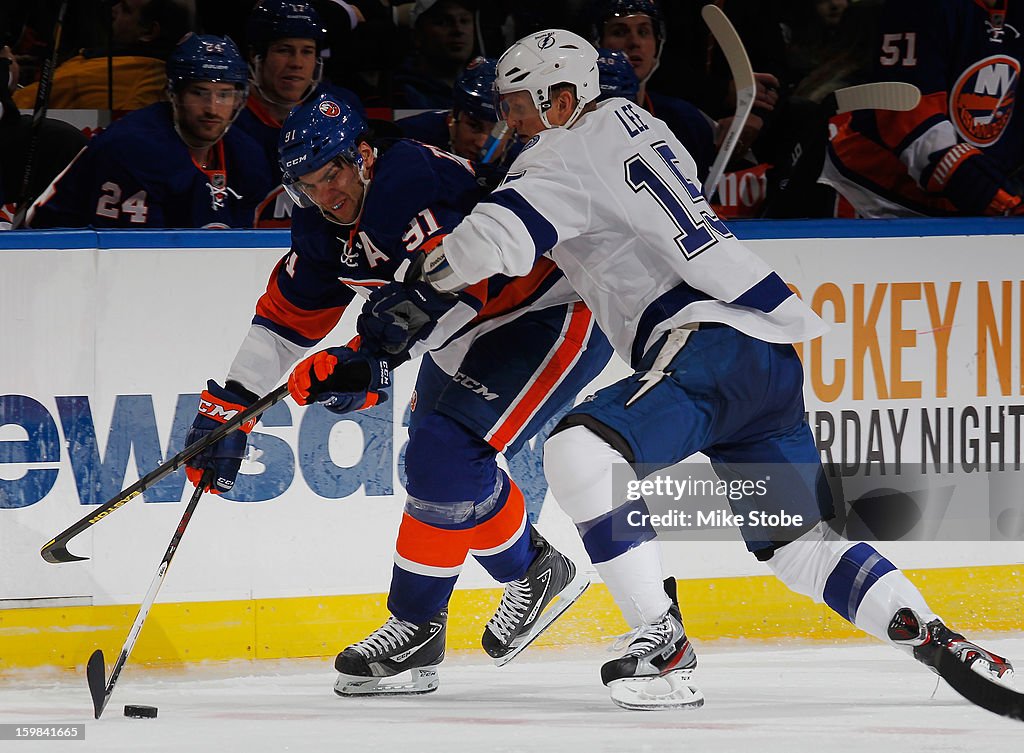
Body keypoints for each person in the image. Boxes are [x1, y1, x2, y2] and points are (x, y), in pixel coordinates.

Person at [367, 28, 1014, 709]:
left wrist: (418, 285)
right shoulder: (640, 124)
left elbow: (491, 242)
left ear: (562, 99)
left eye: (520, 104)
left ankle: (660, 641)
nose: (511, 120)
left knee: (579, 450)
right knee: (801, 548)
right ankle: (934, 633)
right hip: (766, 360)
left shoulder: (556, 158)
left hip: (705, 348)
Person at [182, 91, 613, 695]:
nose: (324, 194)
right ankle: (537, 571)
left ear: (362, 156)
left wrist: (366, 360)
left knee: (445, 453)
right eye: (307, 183)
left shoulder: (412, 181)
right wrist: (232, 404)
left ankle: (416, 626)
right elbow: (286, 320)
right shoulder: (321, 221)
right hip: (466, 324)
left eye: (331, 173)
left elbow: (459, 291)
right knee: (439, 463)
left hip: (547, 309)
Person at [26, 33, 274, 229]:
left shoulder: (247, 155)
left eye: (224, 95)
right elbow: (134, 255)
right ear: (173, 95)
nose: (211, 108)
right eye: (198, 92)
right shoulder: (133, 148)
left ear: (238, 99)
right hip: (59, 263)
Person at [821, 0, 1024, 217]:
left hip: (967, 203)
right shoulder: (919, 7)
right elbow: (912, 124)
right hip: (874, 193)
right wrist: (1002, 201)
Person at [236, 0, 364, 227]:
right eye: (284, 50)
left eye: (306, 51)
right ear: (256, 56)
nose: (296, 63)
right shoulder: (228, 120)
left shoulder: (341, 108)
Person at [587, 0, 716, 182]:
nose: (634, 43)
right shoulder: (570, 121)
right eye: (619, 32)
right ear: (596, 42)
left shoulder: (686, 121)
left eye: (644, 32)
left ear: (658, 43)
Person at [13, 0, 195, 112]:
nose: (113, 9)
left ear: (148, 31)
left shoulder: (137, 84)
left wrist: (8, 78)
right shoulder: (113, 61)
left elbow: (17, 108)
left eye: (126, 9)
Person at [396, 56, 514, 164]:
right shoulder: (409, 138)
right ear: (453, 116)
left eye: (498, 131)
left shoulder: (525, 156)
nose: (481, 143)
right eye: (474, 126)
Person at [391, 0, 479, 108]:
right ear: (417, 35)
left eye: (464, 21)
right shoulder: (398, 95)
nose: (458, 30)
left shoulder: (488, 90)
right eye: (442, 22)